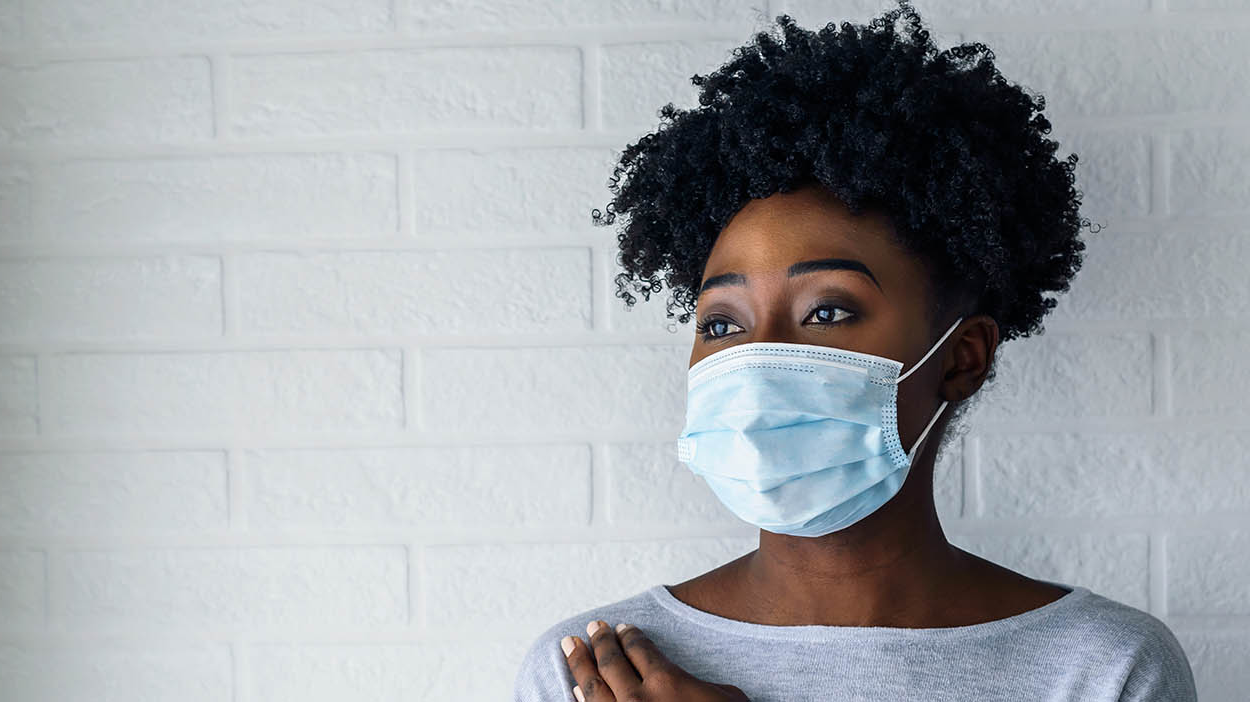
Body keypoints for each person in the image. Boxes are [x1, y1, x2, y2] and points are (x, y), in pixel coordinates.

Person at [513, 1, 1197, 700]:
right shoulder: (593, 675)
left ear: (962, 357)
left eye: (827, 311)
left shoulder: (1102, 668)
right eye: (721, 324)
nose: (760, 358)